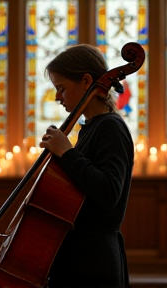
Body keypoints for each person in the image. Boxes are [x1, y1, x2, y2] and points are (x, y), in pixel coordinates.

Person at [39, 44, 133, 288]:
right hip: (80, 258)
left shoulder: (111, 127)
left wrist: (67, 153)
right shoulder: (90, 128)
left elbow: (109, 191)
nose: (58, 97)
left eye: (61, 89)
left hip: (95, 263)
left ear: (86, 81)